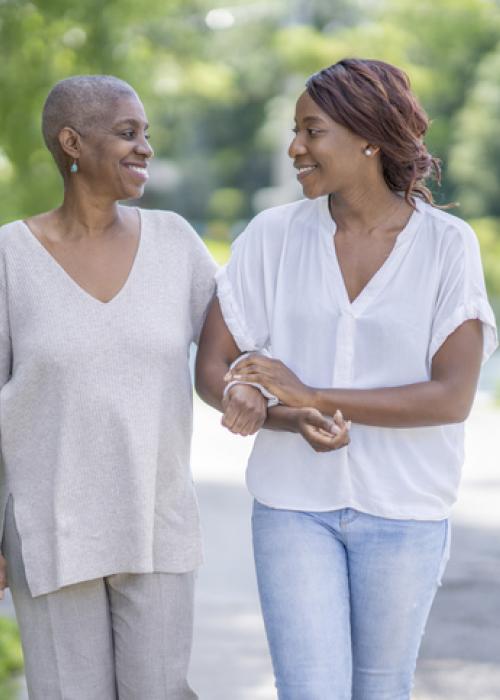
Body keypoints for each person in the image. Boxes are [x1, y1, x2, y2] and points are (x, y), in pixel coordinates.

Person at [195, 58, 497, 699]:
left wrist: (313, 395)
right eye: (295, 130)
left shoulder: (448, 246)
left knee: (381, 690)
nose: (294, 147)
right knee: (308, 691)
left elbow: (452, 396)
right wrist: (264, 404)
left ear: (368, 137)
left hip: (406, 511)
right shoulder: (271, 237)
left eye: (312, 131)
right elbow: (215, 367)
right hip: (293, 508)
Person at [0, 75, 216, 699]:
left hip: (156, 519)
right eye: (128, 133)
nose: (145, 147)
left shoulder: (176, 243)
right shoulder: (11, 257)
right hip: (50, 528)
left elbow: (239, 348)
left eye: (146, 134)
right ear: (72, 142)